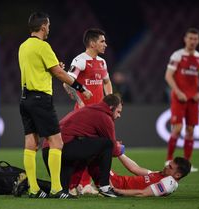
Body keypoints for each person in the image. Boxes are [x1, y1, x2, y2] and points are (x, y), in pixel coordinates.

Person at [18, 12, 92, 199]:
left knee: (31, 143)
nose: (49, 28)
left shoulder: (23, 46)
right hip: (41, 100)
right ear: (43, 27)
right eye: (48, 25)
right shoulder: (43, 46)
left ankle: (34, 189)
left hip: (25, 99)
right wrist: (80, 87)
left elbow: (40, 69)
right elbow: (59, 73)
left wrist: (53, 67)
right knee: (56, 142)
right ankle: (57, 189)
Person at [40, 94, 123, 198]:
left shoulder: (90, 109)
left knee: (61, 191)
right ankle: (105, 187)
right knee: (107, 144)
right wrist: (119, 147)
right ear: (111, 108)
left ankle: (30, 184)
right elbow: (114, 150)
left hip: (48, 150)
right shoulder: (104, 116)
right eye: (118, 112)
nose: (119, 115)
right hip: (61, 148)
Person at [63, 28, 112, 194]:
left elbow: (106, 82)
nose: (105, 44)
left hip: (100, 114)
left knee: (95, 152)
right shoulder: (80, 60)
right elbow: (67, 82)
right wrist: (79, 102)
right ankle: (78, 184)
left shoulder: (102, 62)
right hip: (84, 115)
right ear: (92, 43)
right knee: (84, 152)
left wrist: (110, 103)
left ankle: (85, 184)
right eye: (102, 41)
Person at [164, 28, 199, 172]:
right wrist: (178, 91)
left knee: (190, 130)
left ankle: (187, 164)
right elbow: (168, 76)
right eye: (190, 38)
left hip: (193, 99)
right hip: (179, 97)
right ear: (185, 39)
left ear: (198, 40)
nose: (193, 41)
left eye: (195, 39)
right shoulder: (177, 56)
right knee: (177, 128)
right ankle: (168, 160)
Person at [112, 155, 191, 197]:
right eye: (168, 164)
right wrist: (119, 153)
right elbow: (135, 168)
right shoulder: (161, 174)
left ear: (177, 175)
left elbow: (143, 193)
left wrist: (114, 190)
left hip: (116, 184)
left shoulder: (168, 183)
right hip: (116, 180)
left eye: (170, 167)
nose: (166, 166)